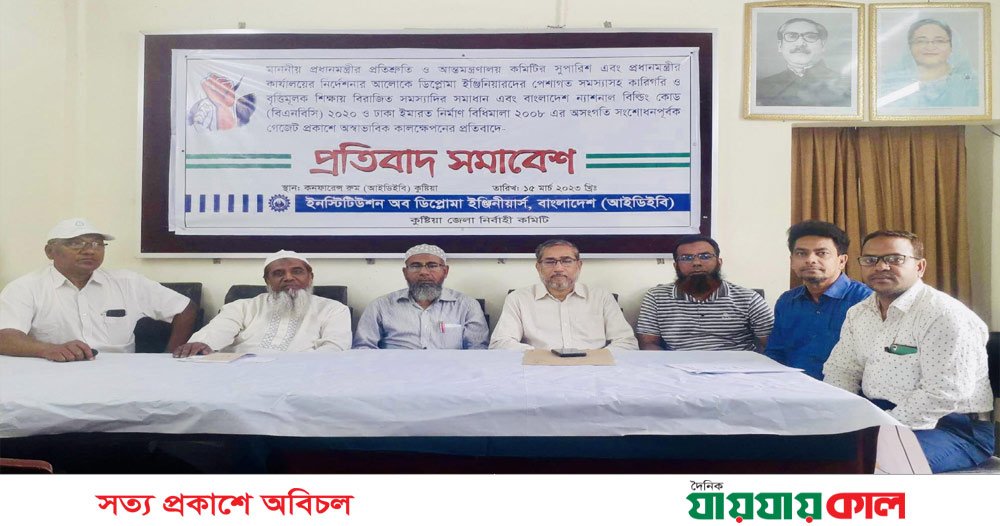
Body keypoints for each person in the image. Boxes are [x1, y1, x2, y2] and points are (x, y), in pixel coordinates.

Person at [824, 230, 994, 473]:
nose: (881, 266)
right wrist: (846, 417)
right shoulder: (859, 313)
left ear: (920, 267)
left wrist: (878, 428)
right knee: (807, 450)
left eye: (895, 259)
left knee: (871, 466)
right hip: (879, 413)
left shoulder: (944, 314)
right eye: (870, 259)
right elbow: (841, 370)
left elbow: (944, 393)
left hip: (952, 426)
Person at [0, 218, 197, 361]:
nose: (89, 250)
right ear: (50, 251)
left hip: (121, 376)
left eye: (97, 244)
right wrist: (48, 349)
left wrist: (168, 357)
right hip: (56, 372)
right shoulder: (25, 288)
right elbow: (5, 338)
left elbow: (185, 309)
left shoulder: (128, 282)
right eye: (76, 243)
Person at [172, 250, 350, 356]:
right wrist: (201, 344)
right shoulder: (242, 307)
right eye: (278, 273)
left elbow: (335, 349)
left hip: (303, 374)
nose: (288, 277)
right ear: (267, 281)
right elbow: (216, 332)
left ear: (310, 277)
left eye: (297, 271)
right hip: (240, 374)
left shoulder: (333, 309)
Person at [765, 221, 871, 379]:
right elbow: (775, 353)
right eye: (801, 253)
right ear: (792, 261)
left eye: (822, 253)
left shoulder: (866, 300)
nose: (810, 260)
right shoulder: (787, 301)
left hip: (844, 390)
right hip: (789, 386)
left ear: (842, 261)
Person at [489, 239, 637, 351]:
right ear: (538, 267)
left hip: (594, 368)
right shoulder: (518, 298)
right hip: (538, 369)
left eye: (566, 261)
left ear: (578, 265)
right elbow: (500, 343)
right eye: (550, 262)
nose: (559, 268)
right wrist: (542, 357)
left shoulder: (601, 297)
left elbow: (626, 342)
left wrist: (595, 358)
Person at [636, 235, 773, 352]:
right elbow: (648, 344)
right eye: (686, 258)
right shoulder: (656, 297)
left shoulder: (748, 298)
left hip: (736, 368)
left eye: (705, 256)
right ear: (676, 266)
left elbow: (773, 345)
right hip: (678, 367)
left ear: (719, 262)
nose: (696, 263)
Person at [353, 244, 489, 349]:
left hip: (451, 373)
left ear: (445, 271)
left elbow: (478, 351)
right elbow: (363, 349)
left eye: (432, 266)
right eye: (415, 266)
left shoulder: (467, 306)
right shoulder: (380, 306)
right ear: (405, 272)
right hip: (395, 373)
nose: (424, 272)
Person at [880, 19, 978, 108]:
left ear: (952, 46)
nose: (930, 47)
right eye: (921, 41)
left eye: (939, 41)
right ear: (910, 47)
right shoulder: (889, 83)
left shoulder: (972, 83)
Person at [756, 17, 851, 107]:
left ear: (822, 45)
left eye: (810, 36)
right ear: (780, 46)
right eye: (791, 36)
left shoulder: (847, 85)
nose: (800, 43)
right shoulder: (761, 87)